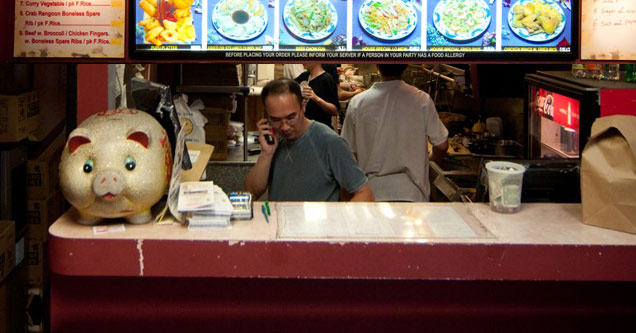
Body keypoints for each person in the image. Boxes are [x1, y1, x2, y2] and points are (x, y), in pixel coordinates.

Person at [244, 79, 374, 202]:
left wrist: (338, 219)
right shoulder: (273, 140)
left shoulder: (329, 141)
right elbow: (251, 192)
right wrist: (266, 154)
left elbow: (365, 194)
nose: (284, 127)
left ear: (303, 107)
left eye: (291, 117)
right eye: (276, 120)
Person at [341, 64, 449, 202]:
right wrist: (431, 157)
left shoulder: (358, 102)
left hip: (372, 194)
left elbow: (349, 155)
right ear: (405, 65)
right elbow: (442, 146)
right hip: (413, 196)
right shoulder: (422, 99)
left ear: (377, 66)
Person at [294, 64, 340, 130]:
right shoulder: (305, 76)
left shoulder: (326, 79)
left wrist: (316, 98)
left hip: (320, 129)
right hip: (304, 128)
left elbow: (334, 111)